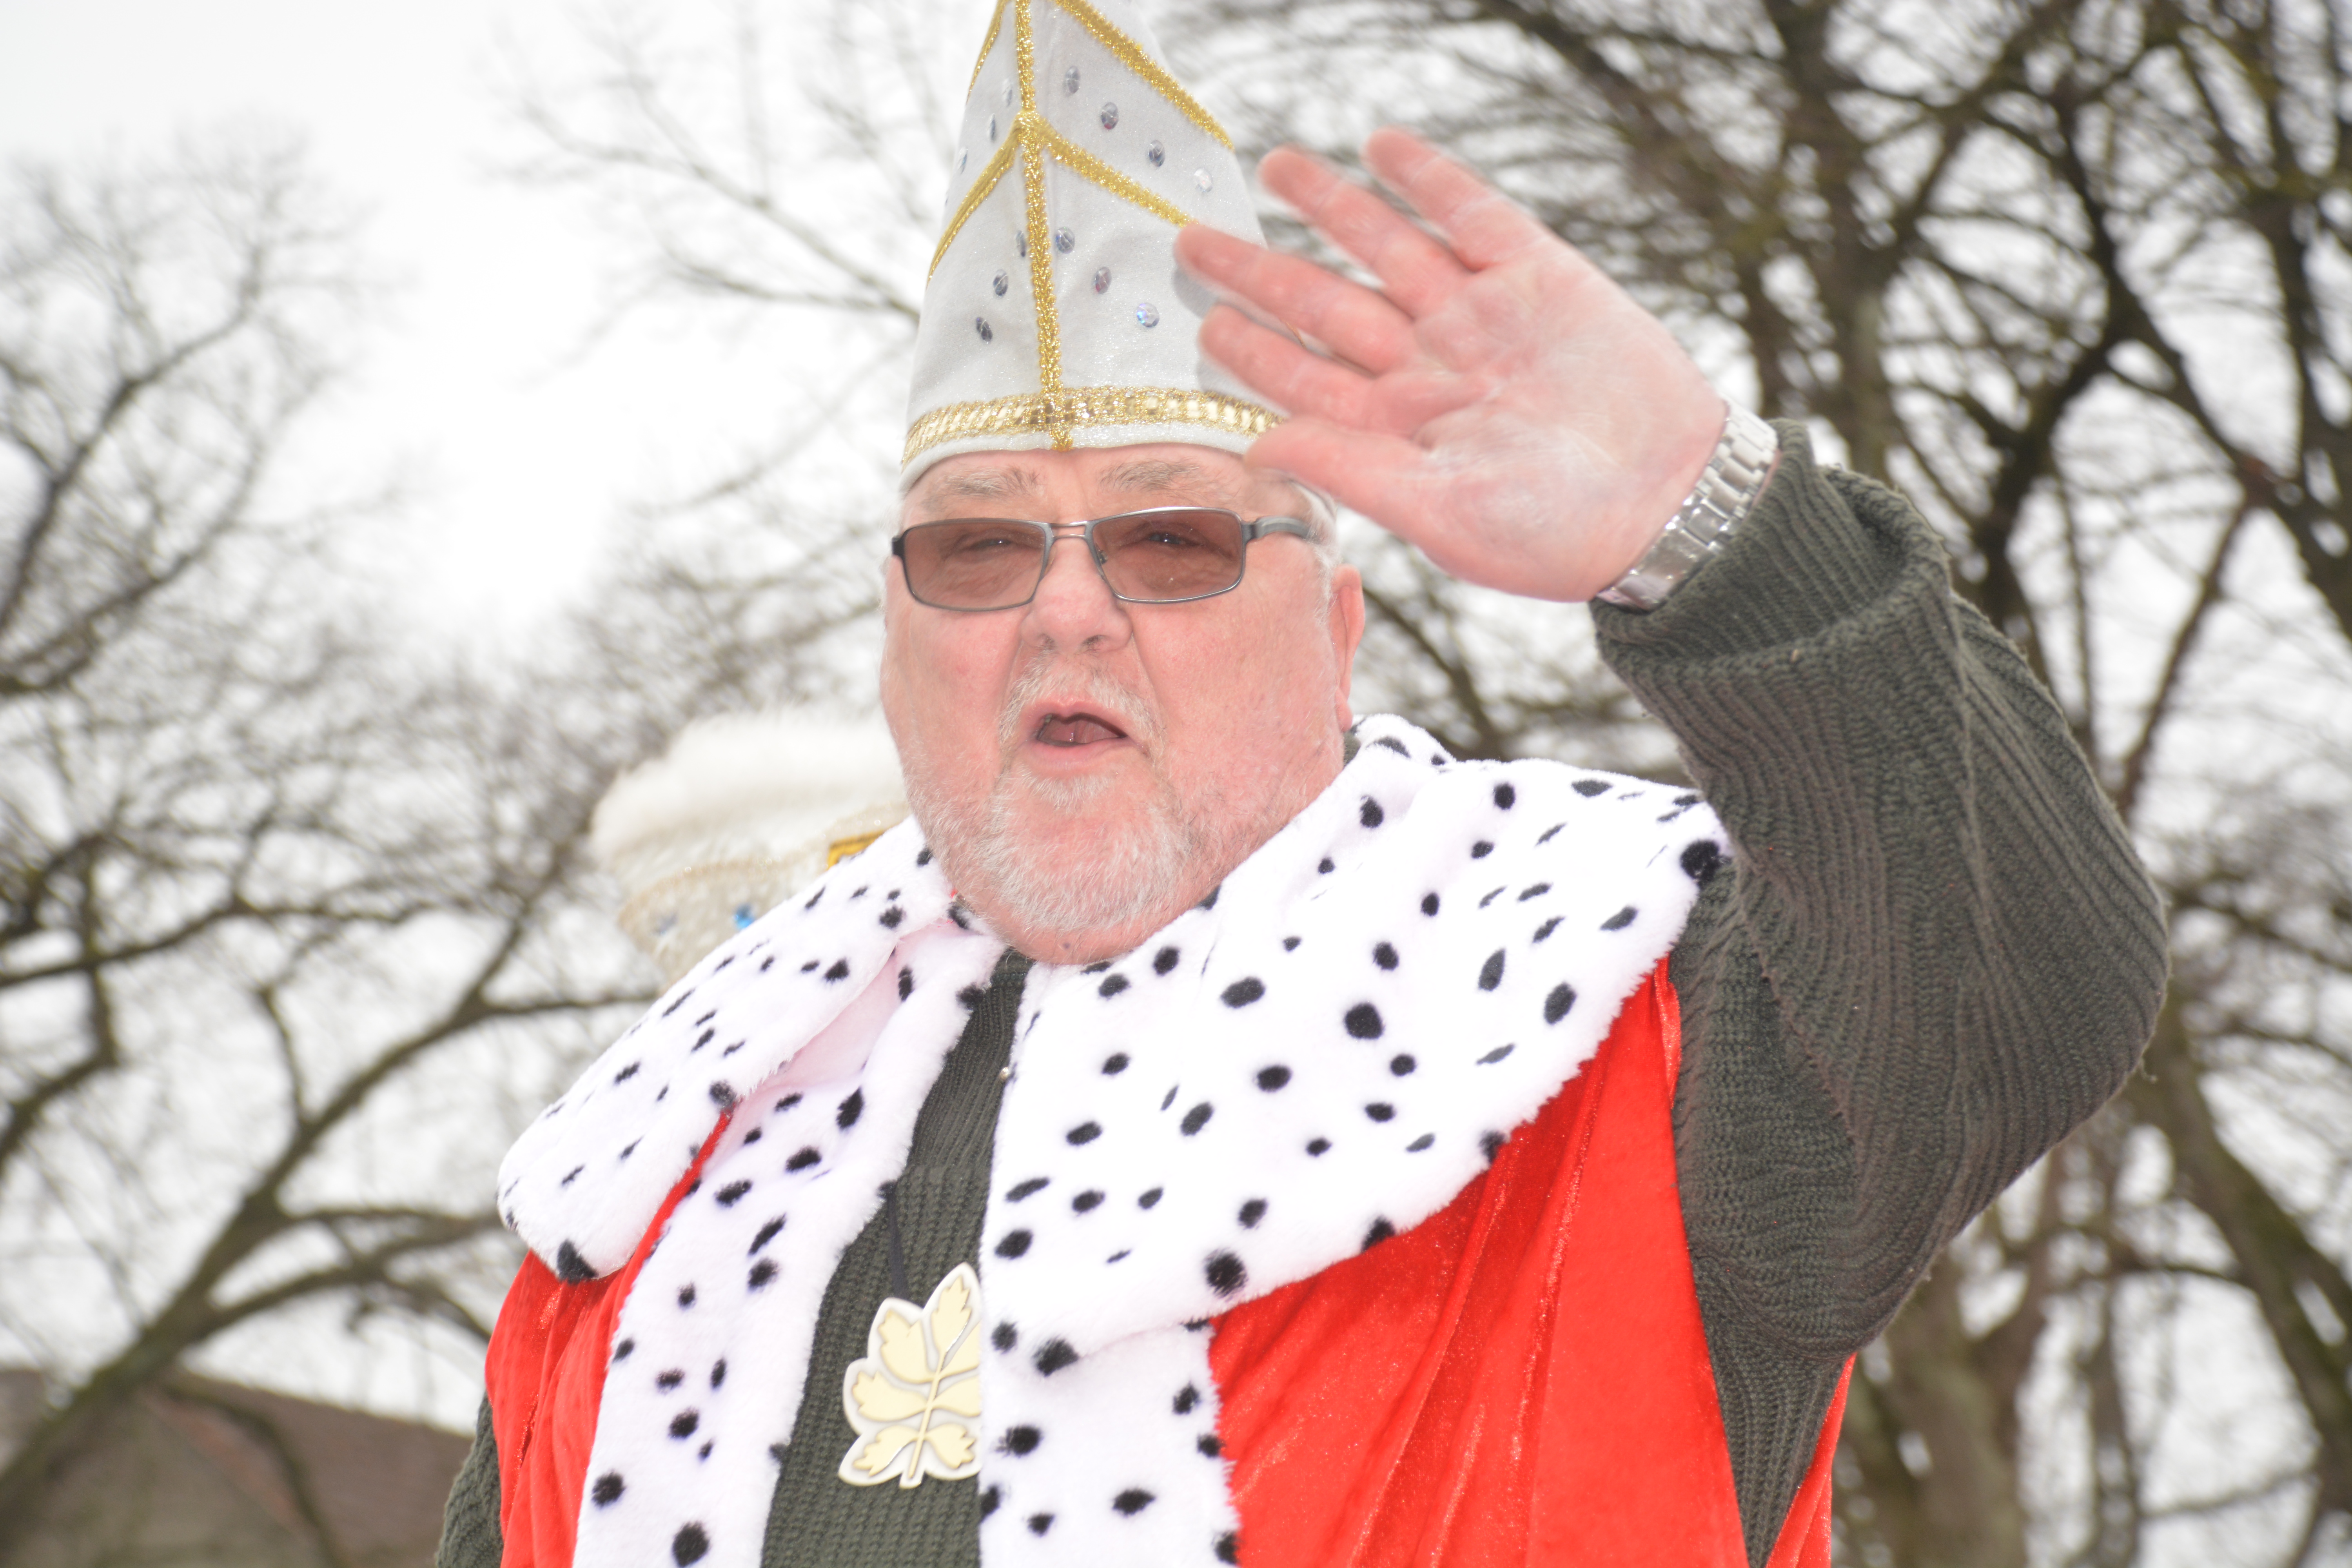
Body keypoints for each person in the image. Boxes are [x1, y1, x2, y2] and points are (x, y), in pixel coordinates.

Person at [438, 4, 2166, 1566]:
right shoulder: (643, 1172)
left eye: (1172, 541)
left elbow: (2020, 983)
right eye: (976, 549)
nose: (1064, 611)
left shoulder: (1607, 1019)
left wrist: (1712, 526)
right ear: (895, 647)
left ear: (1336, 633)